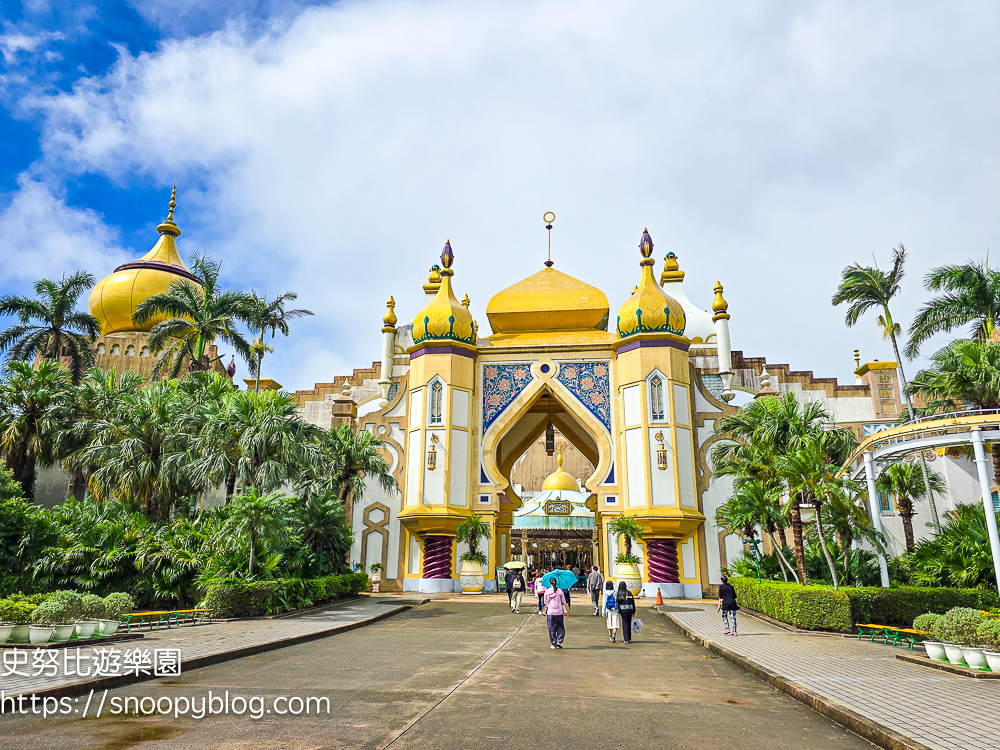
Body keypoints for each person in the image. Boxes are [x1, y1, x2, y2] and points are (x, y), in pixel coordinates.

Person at [544, 578, 568, 648]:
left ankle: (553, 643)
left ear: (550, 583)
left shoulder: (547, 591)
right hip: (559, 612)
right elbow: (563, 601)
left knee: (551, 628)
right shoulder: (560, 591)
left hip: (550, 612)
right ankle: (559, 641)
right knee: (560, 627)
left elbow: (545, 602)